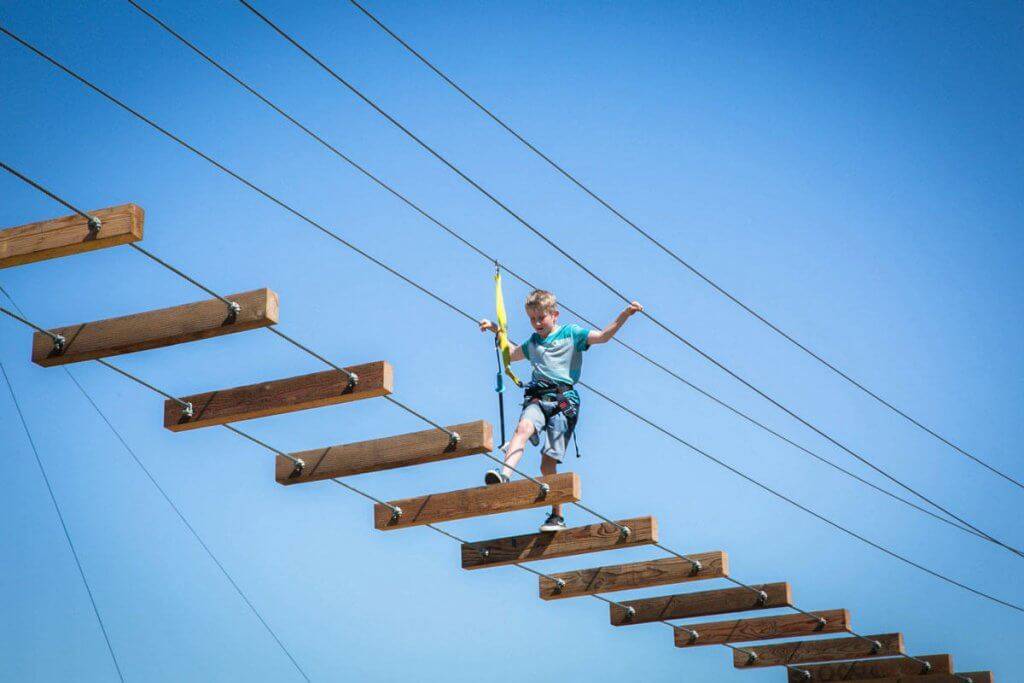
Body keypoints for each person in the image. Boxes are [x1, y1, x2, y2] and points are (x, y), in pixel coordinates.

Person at [479, 289, 643, 532]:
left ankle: (557, 515)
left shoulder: (571, 334)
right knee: (523, 428)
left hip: (563, 402)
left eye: (540, 318)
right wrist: (497, 330)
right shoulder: (533, 343)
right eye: (532, 319)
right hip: (538, 397)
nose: (536, 324)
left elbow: (603, 336)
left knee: (547, 463)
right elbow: (511, 354)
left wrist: (626, 314)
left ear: (554, 315)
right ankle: (504, 474)